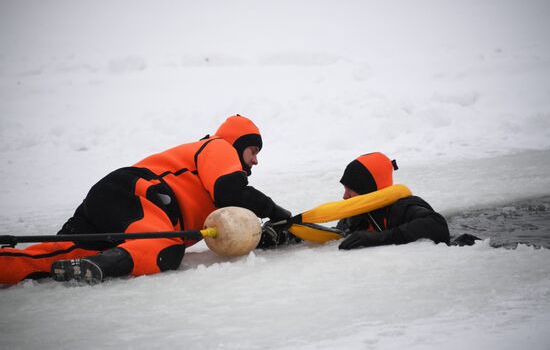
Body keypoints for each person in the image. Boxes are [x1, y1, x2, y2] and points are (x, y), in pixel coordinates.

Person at [0, 115, 291, 285]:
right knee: (165, 248)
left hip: (113, 195)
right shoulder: (219, 148)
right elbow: (233, 193)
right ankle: (100, 264)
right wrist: (279, 213)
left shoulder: (210, 169)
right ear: (237, 144)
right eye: (253, 150)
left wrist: (263, 234)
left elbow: (234, 214)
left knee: (57, 252)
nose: (255, 160)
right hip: (139, 194)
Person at [336, 152, 451, 249]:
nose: (345, 196)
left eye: (350, 190)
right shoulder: (353, 216)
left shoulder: (402, 207)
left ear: (367, 190)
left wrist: (378, 238)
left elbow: (437, 225)